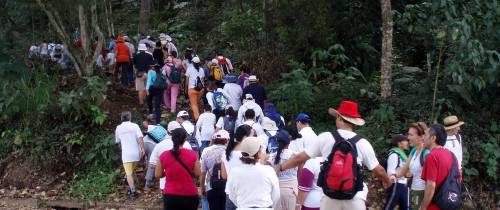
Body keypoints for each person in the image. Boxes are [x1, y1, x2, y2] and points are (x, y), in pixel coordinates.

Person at [278, 100, 393, 210]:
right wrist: (387, 181)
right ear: (354, 122)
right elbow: (379, 171)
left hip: (330, 197)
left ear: (339, 117)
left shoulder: (325, 137)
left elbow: (299, 158)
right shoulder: (363, 143)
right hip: (355, 197)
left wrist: (280, 167)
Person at [226, 137, 280, 209]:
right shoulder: (268, 170)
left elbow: (232, 195)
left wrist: (242, 205)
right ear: (258, 153)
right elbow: (276, 195)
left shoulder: (234, 172)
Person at [155, 128, 200, 210]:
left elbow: (158, 175)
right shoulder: (192, 154)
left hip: (170, 194)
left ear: (172, 138)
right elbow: (198, 173)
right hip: (189, 193)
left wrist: (167, 172)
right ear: (185, 139)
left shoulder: (164, 155)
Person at [420, 124, 461, 210]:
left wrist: (423, 207)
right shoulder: (452, 155)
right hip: (450, 203)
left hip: (436, 205)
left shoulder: (432, 156)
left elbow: (431, 186)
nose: (423, 138)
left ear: (433, 138)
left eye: (426, 135)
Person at [391, 122, 430, 210]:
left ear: (421, 136)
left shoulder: (426, 154)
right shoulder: (414, 150)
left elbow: (431, 181)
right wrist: (392, 176)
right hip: (413, 191)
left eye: (411, 135)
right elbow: (403, 171)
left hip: (422, 193)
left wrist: (424, 204)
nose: (408, 138)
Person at [148, 121, 192, 191]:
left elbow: (151, 165)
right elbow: (192, 163)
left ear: (168, 131)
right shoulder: (186, 144)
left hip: (166, 185)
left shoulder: (160, 145)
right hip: (185, 183)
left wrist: (165, 171)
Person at [222, 125, 254, 210]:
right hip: (246, 194)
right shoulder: (248, 155)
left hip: (230, 193)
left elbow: (224, 176)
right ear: (245, 137)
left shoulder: (226, 154)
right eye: (252, 136)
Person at [115, 111, 145, 197]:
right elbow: (140, 138)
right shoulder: (135, 126)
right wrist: (142, 149)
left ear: (121, 118)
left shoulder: (118, 128)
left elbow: (118, 141)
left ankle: (133, 191)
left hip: (126, 155)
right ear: (130, 118)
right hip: (136, 154)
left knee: (128, 173)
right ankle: (132, 183)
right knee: (131, 171)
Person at [200, 130, 230, 210]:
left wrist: (202, 188)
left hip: (211, 186)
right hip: (227, 188)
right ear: (226, 140)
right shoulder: (229, 152)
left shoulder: (206, 151)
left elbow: (203, 173)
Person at [269, 130, 298, 210]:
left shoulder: (271, 156)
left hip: (275, 192)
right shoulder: (295, 155)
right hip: (290, 191)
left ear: (277, 142)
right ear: (289, 142)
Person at [383, 134, 410, 210]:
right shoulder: (394, 154)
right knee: (389, 206)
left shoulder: (402, 154)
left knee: (406, 207)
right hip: (396, 184)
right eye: (405, 141)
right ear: (399, 143)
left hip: (403, 184)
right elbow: (390, 172)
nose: (407, 142)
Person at [185, 56, 206, 120]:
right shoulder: (202, 69)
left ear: (193, 63)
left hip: (192, 89)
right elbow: (202, 80)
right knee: (197, 103)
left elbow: (187, 80)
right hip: (200, 90)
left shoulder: (189, 69)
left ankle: (197, 119)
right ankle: (199, 115)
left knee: (194, 105)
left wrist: (185, 90)